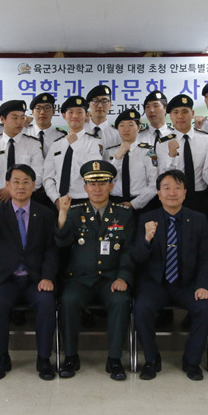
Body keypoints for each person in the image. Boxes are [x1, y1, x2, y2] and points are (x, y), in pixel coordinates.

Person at [0, 164, 58, 381]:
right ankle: (1, 357)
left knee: (47, 302)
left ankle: (44, 359)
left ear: (34, 185)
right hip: (6, 279)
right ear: (8, 185)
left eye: (26, 182)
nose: (21, 187)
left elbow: (51, 249)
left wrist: (47, 277)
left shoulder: (46, 214)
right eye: (16, 182)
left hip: (35, 279)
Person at [132, 170, 208, 381]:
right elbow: (137, 258)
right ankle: (151, 360)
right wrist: (147, 239)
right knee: (141, 308)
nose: (172, 193)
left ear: (185, 193)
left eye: (177, 188)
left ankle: (191, 361)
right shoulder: (146, 219)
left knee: (205, 308)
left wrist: (203, 285)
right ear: (158, 193)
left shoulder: (198, 220)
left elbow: (207, 258)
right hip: (155, 284)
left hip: (187, 284)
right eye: (166, 188)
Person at [56, 160, 134, 380]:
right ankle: (70, 357)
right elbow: (61, 243)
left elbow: (129, 251)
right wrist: (62, 215)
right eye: (92, 184)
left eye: (102, 183)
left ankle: (114, 359)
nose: (97, 188)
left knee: (120, 301)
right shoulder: (74, 212)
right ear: (85, 187)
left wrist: (123, 277)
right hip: (80, 279)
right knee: (68, 301)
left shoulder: (124, 214)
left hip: (111, 278)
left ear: (111, 186)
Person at [155, 94, 208, 218]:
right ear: (170, 116)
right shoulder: (163, 143)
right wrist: (171, 156)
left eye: (185, 111)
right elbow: (163, 177)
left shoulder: (207, 139)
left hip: (200, 198)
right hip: (173, 198)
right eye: (175, 112)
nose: (180, 116)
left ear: (192, 113)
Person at [0, 100, 44, 202]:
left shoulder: (33, 144)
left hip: (25, 198)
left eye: (22, 117)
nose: (19, 122)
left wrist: (13, 190)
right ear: (2, 119)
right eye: (15, 117)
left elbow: (38, 175)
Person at [43, 96, 104, 207]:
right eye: (71, 112)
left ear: (87, 115)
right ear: (64, 116)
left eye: (79, 112)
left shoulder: (94, 142)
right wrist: (56, 199)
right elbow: (48, 177)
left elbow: (93, 170)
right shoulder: (56, 144)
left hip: (85, 201)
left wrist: (75, 145)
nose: (75, 116)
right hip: (59, 201)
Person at [107, 109, 158, 211]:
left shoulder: (148, 152)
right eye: (122, 125)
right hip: (114, 202)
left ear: (138, 128)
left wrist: (134, 204)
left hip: (142, 203)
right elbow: (107, 180)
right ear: (117, 129)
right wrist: (118, 157)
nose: (126, 129)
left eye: (131, 125)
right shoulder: (109, 152)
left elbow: (154, 184)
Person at [24, 92, 66, 159]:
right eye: (38, 108)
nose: (42, 112)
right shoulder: (24, 133)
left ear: (53, 111)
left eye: (47, 108)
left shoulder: (61, 136)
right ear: (32, 112)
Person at [85, 84, 120, 150]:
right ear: (89, 104)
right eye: (95, 101)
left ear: (110, 105)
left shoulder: (117, 134)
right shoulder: (81, 131)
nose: (100, 105)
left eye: (104, 101)